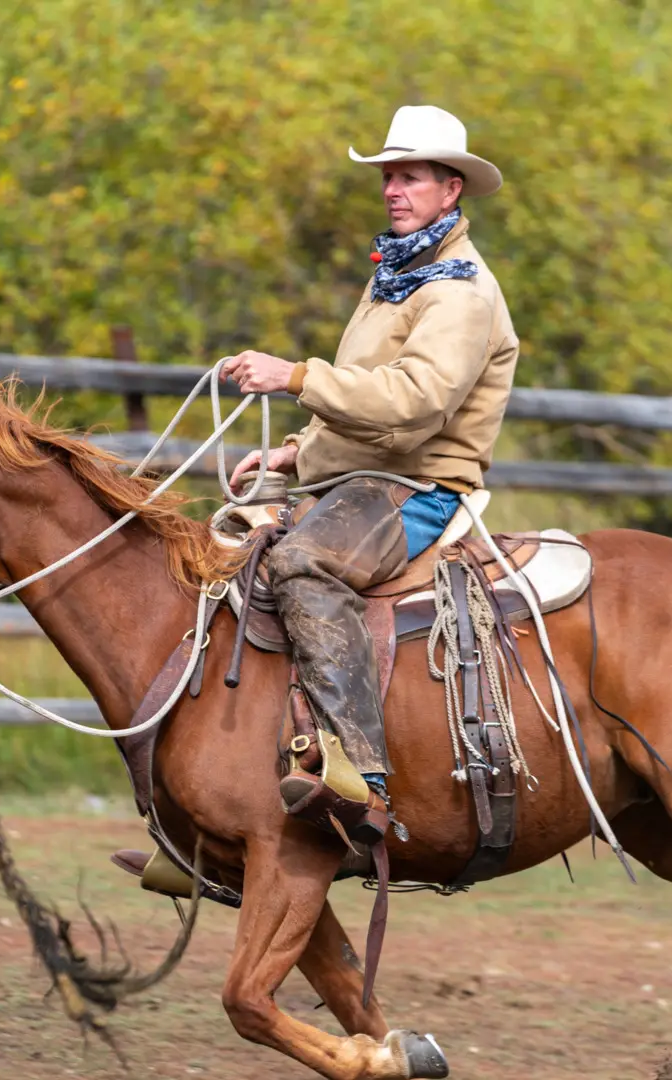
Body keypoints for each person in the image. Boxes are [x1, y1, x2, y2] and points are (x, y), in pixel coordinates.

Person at [219, 104, 520, 841]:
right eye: (388, 175)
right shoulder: (399, 272)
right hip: (361, 478)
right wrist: (296, 454)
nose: (393, 188)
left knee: (302, 564)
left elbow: (412, 408)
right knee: (221, 549)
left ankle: (361, 781)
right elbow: (362, 406)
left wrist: (294, 375)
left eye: (410, 176)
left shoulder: (460, 293)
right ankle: (218, 803)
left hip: (419, 488)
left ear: (451, 190)